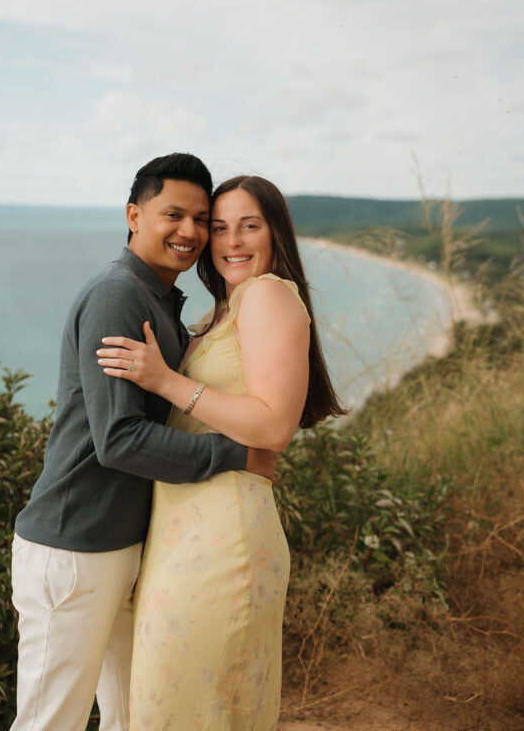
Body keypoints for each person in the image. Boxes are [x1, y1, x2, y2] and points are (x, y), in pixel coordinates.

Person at [10, 154, 276, 731]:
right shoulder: (118, 295)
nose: (190, 232)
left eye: (201, 218)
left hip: (124, 545)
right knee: (49, 720)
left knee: (133, 717)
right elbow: (119, 441)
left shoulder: (160, 300)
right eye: (173, 214)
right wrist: (234, 454)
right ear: (134, 215)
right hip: (74, 543)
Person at [98, 174, 346, 729]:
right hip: (187, 533)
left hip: (222, 540)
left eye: (249, 226)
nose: (232, 241)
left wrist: (165, 381)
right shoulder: (224, 310)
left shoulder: (267, 294)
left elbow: (274, 426)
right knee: (182, 706)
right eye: (220, 228)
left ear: (274, 233)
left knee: (185, 709)